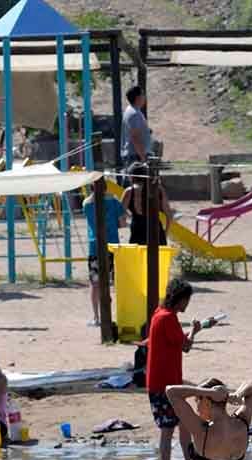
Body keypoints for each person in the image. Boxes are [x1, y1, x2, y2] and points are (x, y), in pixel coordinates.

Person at [146, 280, 202, 460]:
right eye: (187, 300)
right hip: (165, 385)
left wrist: (191, 333)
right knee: (168, 430)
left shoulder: (159, 314)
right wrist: (194, 331)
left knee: (184, 424)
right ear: (180, 299)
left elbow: (176, 340)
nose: (187, 304)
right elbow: (186, 346)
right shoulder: (168, 318)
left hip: (163, 382)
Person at [83, 187, 126, 326]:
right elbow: (123, 223)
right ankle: (116, 315)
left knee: (95, 284)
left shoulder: (87, 203)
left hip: (95, 246)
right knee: (113, 282)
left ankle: (96, 317)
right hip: (112, 246)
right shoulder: (114, 201)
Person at [121, 161, 173, 245]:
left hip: (137, 231)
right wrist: (165, 233)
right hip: (156, 230)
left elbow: (120, 216)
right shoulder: (158, 189)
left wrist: (128, 222)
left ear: (132, 176)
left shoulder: (129, 192)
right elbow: (169, 216)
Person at [121, 86, 152, 167]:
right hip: (135, 156)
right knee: (137, 175)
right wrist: (143, 157)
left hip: (135, 155)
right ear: (138, 97)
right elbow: (135, 136)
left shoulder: (133, 111)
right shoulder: (134, 113)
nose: (144, 97)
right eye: (143, 94)